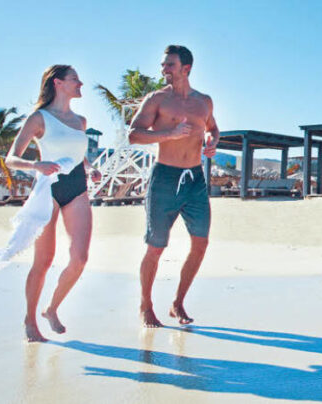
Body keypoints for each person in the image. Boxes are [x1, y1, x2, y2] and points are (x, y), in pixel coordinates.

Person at [3, 65, 101, 342]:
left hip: (77, 188)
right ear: (58, 83)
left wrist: (90, 166)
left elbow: (76, 153)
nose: (80, 83)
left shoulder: (80, 121)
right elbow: (11, 158)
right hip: (48, 189)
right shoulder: (40, 118)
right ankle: (30, 320)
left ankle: (52, 308)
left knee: (80, 259)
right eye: (74, 79)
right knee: (43, 262)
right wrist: (36, 164)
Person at [128, 45, 219, 328]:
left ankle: (178, 302)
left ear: (186, 69)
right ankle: (146, 304)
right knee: (156, 247)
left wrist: (212, 141)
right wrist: (169, 134)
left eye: (169, 65)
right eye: (164, 64)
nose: (163, 69)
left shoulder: (204, 102)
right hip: (164, 178)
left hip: (195, 179)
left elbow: (213, 128)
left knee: (201, 243)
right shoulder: (157, 99)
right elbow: (133, 135)